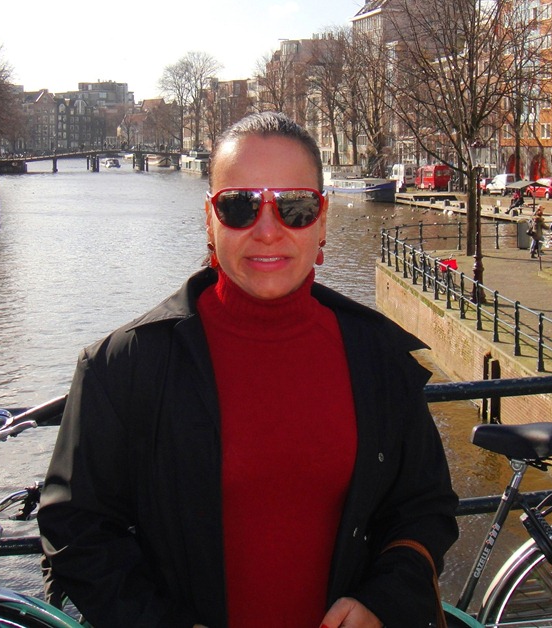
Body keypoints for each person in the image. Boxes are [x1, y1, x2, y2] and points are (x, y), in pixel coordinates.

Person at [38, 112, 459, 628]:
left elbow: (424, 505)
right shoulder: (123, 366)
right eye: (239, 206)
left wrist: (384, 600)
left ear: (322, 219)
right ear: (209, 219)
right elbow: (76, 528)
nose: (267, 231)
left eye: (295, 207)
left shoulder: (378, 356)